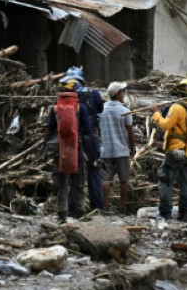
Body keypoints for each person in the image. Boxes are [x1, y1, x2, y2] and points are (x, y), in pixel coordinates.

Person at [149, 77, 187, 222]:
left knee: (166, 181)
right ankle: (184, 215)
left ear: (179, 93)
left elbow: (165, 125)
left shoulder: (176, 108)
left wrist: (156, 113)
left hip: (175, 151)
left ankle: (165, 213)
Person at [47, 77, 92, 222]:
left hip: (59, 148)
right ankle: (79, 210)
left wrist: (44, 144)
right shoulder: (80, 108)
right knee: (78, 180)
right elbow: (87, 129)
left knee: (61, 182)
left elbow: (50, 128)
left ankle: (62, 213)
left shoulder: (55, 108)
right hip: (76, 146)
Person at [64, 66, 106, 212]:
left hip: (71, 138)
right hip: (91, 137)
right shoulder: (93, 93)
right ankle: (97, 207)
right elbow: (100, 109)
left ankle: (73, 207)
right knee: (94, 170)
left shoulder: (65, 96)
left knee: (74, 173)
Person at [99, 81, 136, 214]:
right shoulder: (125, 111)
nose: (124, 94)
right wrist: (132, 148)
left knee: (105, 179)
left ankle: (105, 207)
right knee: (123, 180)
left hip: (105, 150)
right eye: (123, 92)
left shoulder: (101, 110)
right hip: (122, 150)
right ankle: (122, 208)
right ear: (118, 94)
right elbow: (130, 133)